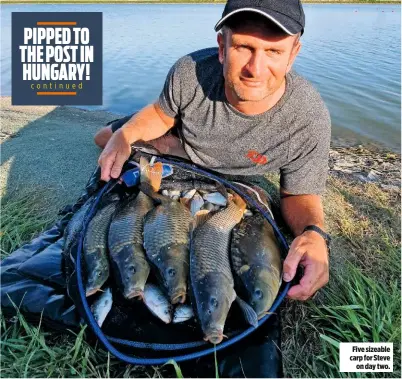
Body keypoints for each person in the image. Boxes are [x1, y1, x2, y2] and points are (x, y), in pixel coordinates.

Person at [95, 0, 331, 302]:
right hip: (181, 134)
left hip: (226, 168)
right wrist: (126, 135)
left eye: (273, 51)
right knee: (103, 138)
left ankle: (172, 148)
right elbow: (160, 114)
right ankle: (169, 144)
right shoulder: (189, 72)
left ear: (293, 54)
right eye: (244, 47)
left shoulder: (307, 117)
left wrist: (313, 232)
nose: (255, 69)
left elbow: (299, 193)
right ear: (222, 46)